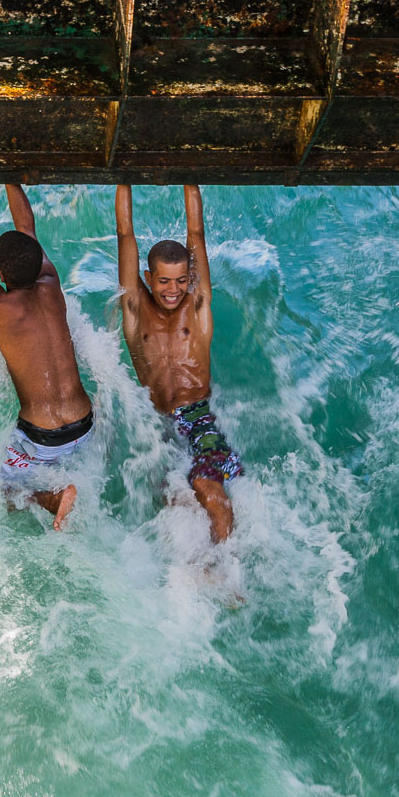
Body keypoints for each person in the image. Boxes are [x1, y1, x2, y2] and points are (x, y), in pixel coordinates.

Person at [0, 157, 93, 530]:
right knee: (48, 462)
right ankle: (59, 486)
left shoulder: (1, 305)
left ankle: (53, 499)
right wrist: (8, 177)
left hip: (43, 435)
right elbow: (27, 229)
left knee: (6, 491)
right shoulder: (51, 283)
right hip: (83, 423)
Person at [115, 184, 243, 542]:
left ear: (191, 280)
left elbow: (196, 233)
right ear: (147, 279)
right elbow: (125, 234)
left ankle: (225, 565)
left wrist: (189, 178)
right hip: (157, 422)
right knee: (174, 496)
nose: (173, 290)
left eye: (181, 280)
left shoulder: (197, 306)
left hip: (200, 416)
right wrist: (123, 176)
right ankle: (193, 569)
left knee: (207, 485)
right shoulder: (135, 312)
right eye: (164, 281)